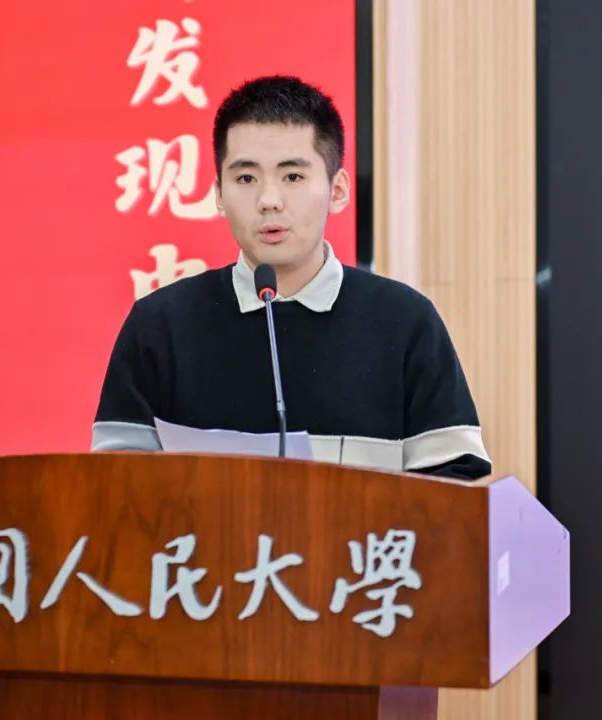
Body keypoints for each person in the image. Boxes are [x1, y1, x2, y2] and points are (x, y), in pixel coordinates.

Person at [92, 75, 490, 480]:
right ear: (219, 194)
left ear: (338, 189)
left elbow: (455, 487)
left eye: (293, 177)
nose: (269, 201)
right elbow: (114, 486)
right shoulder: (159, 324)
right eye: (246, 179)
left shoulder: (405, 321)